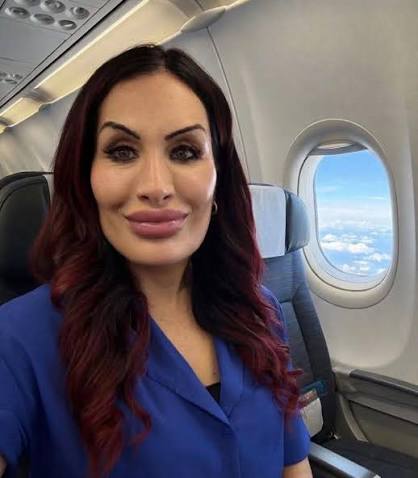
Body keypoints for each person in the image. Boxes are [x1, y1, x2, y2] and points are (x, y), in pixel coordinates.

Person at [0, 44, 312, 478]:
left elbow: (293, 466)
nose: (155, 186)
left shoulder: (260, 312)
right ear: (86, 178)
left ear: (218, 180)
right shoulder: (17, 338)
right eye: (121, 151)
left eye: (184, 151)